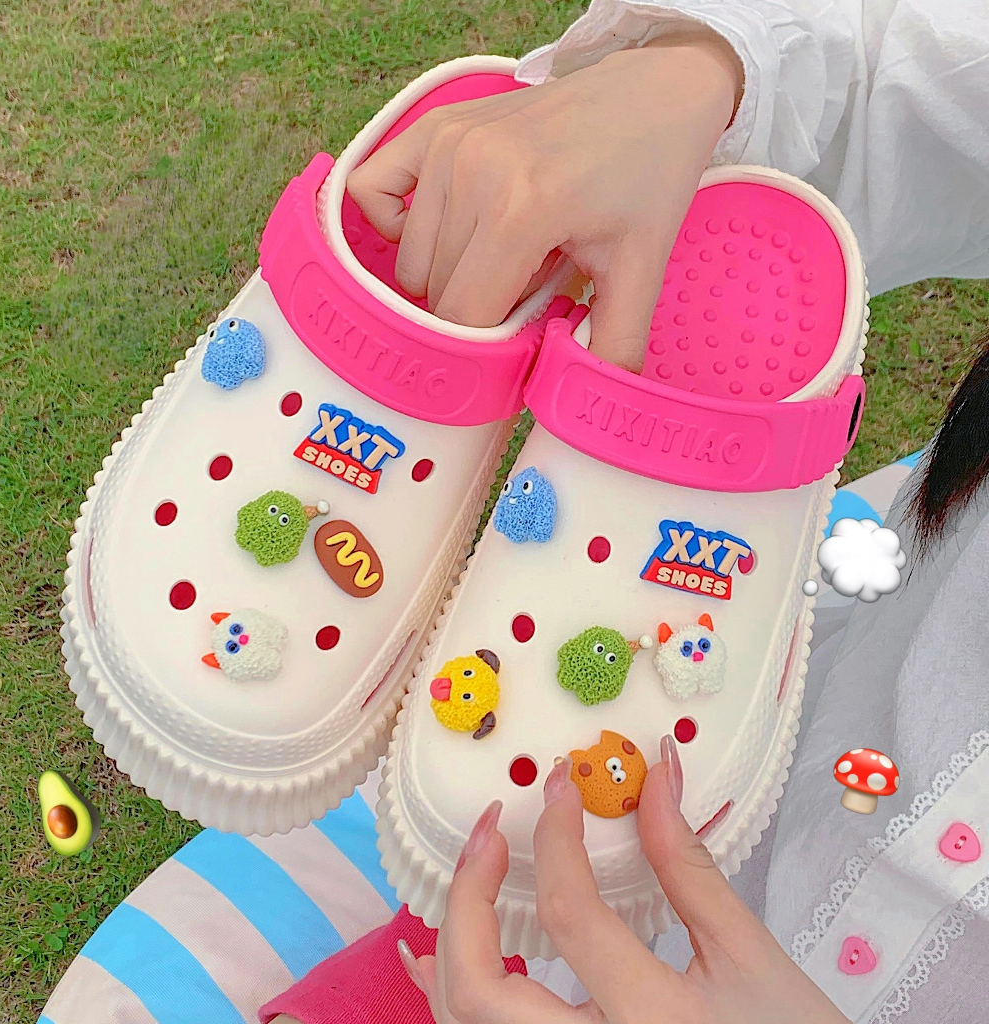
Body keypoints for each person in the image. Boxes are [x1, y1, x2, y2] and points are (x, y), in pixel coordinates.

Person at [267, 2, 989, 1021]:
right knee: (532, 824)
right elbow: (912, 76)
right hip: (754, 796)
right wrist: (702, 74)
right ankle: (515, 925)